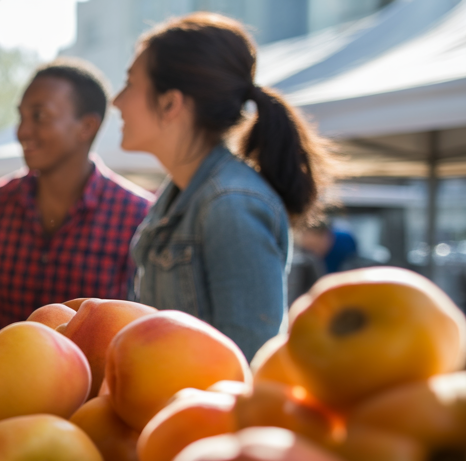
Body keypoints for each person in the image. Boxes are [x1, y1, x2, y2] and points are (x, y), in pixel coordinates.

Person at [116, 13, 331, 356]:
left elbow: (248, 362)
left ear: (171, 103)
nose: (117, 101)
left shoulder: (230, 205)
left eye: (129, 84)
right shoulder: (178, 196)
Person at [0, 60, 153, 345]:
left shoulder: (138, 217)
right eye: (21, 117)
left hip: (98, 389)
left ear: (86, 127)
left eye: (39, 116)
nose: (22, 131)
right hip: (1, 386)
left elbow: (143, 331)